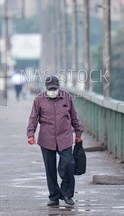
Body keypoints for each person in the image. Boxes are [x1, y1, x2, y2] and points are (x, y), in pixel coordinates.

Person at [26, 75, 83, 206]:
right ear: (46, 88)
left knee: (68, 165)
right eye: (50, 89)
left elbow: (74, 116)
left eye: (55, 88)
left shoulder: (66, 97)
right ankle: (54, 197)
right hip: (47, 139)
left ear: (59, 87)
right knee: (50, 169)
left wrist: (78, 132)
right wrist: (31, 134)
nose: (53, 91)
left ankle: (67, 194)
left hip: (65, 137)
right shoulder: (39, 99)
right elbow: (33, 118)